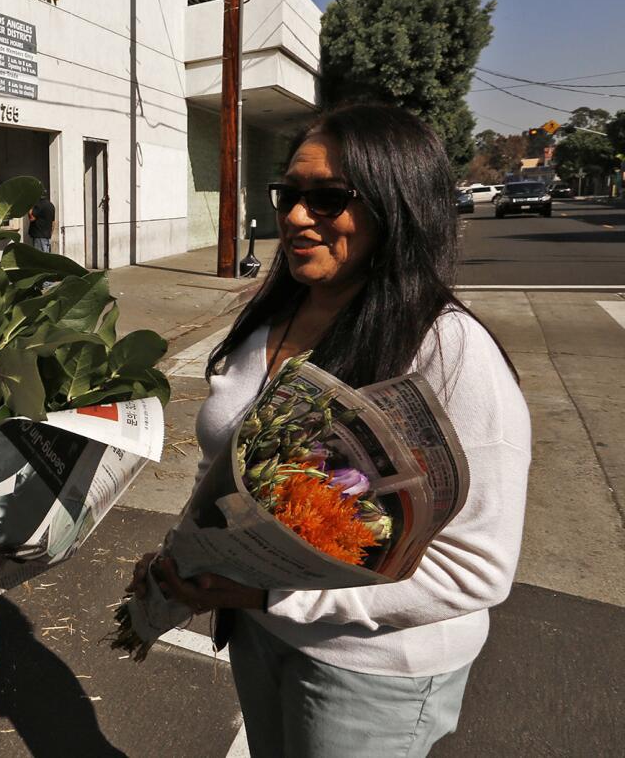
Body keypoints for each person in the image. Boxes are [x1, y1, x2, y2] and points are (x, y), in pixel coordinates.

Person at [130, 103, 530, 757]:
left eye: (328, 198)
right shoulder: (269, 320)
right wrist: (191, 560)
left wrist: (276, 594)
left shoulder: (450, 351)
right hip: (260, 632)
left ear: (396, 206)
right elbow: (222, 476)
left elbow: (477, 570)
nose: (294, 216)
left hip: (372, 670)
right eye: (289, 194)